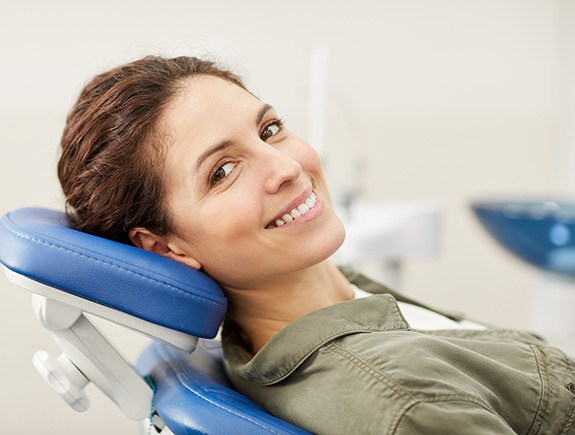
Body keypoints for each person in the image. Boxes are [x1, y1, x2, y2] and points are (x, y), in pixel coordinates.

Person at [58, 55, 575, 434]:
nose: (286, 167)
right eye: (223, 171)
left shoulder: (338, 303)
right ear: (167, 248)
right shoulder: (405, 402)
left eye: (270, 129)